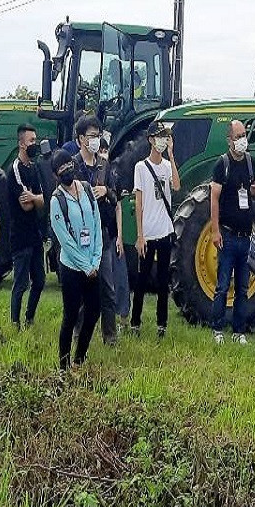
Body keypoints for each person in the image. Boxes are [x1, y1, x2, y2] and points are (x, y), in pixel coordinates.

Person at [68, 115, 120, 345]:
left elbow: (116, 195)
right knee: (82, 290)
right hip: (82, 239)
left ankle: (110, 336)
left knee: (107, 288)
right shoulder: (72, 166)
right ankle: (79, 333)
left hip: (104, 235)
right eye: (91, 136)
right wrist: (90, 191)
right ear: (80, 139)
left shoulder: (105, 165)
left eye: (98, 136)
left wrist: (106, 191)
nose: (95, 141)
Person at [49, 150, 103, 369]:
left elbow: (97, 224)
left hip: (93, 263)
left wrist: (96, 260)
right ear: (56, 175)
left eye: (68, 165)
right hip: (72, 267)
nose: (67, 170)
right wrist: (85, 265)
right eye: (61, 169)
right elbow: (65, 240)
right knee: (70, 316)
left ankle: (80, 358)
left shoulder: (87, 189)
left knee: (94, 310)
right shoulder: (57, 200)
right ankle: (63, 365)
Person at [210, 120, 255, 345]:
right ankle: (217, 328)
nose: (242, 140)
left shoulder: (250, 162)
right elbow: (214, 198)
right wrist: (215, 230)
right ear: (229, 139)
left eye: (244, 135)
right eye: (238, 136)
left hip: (246, 236)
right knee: (222, 285)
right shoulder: (222, 164)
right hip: (227, 236)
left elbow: (251, 191)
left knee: (243, 287)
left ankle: (239, 330)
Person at [132, 121, 180, 338]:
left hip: (165, 230)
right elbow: (139, 202)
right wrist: (140, 235)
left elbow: (176, 186)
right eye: (159, 136)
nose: (162, 140)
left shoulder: (168, 166)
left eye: (165, 136)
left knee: (163, 279)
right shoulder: (140, 167)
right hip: (148, 233)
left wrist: (171, 155)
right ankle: (135, 321)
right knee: (142, 279)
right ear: (151, 140)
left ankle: (162, 324)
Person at [5, 124, 46, 330]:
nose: (35, 144)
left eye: (35, 140)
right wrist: (37, 199)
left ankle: (29, 318)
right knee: (21, 284)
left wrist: (36, 198)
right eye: (31, 141)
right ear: (21, 144)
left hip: (35, 235)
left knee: (40, 280)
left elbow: (43, 199)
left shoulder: (35, 168)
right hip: (20, 236)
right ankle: (15, 322)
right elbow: (27, 205)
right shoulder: (14, 171)